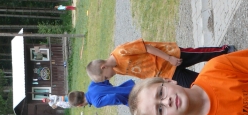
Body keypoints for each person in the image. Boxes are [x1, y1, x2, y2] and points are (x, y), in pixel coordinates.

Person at [87, 41, 235, 88]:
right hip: (168, 74)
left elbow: (147, 47)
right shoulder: (117, 70)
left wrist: (169, 58)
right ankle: (227, 80)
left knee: (200, 54)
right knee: (197, 84)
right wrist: (158, 81)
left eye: (105, 78)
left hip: (171, 57)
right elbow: (142, 72)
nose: (108, 79)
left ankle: (224, 50)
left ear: (103, 67)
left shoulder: (121, 52)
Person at [68, 78, 135, 109]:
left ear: (80, 105)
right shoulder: (92, 85)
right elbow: (104, 78)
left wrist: (130, 104)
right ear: (81, 91)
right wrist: (110, 88)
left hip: (133, 97)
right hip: (130, 86)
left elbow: (114, 97)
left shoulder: (96, 103)